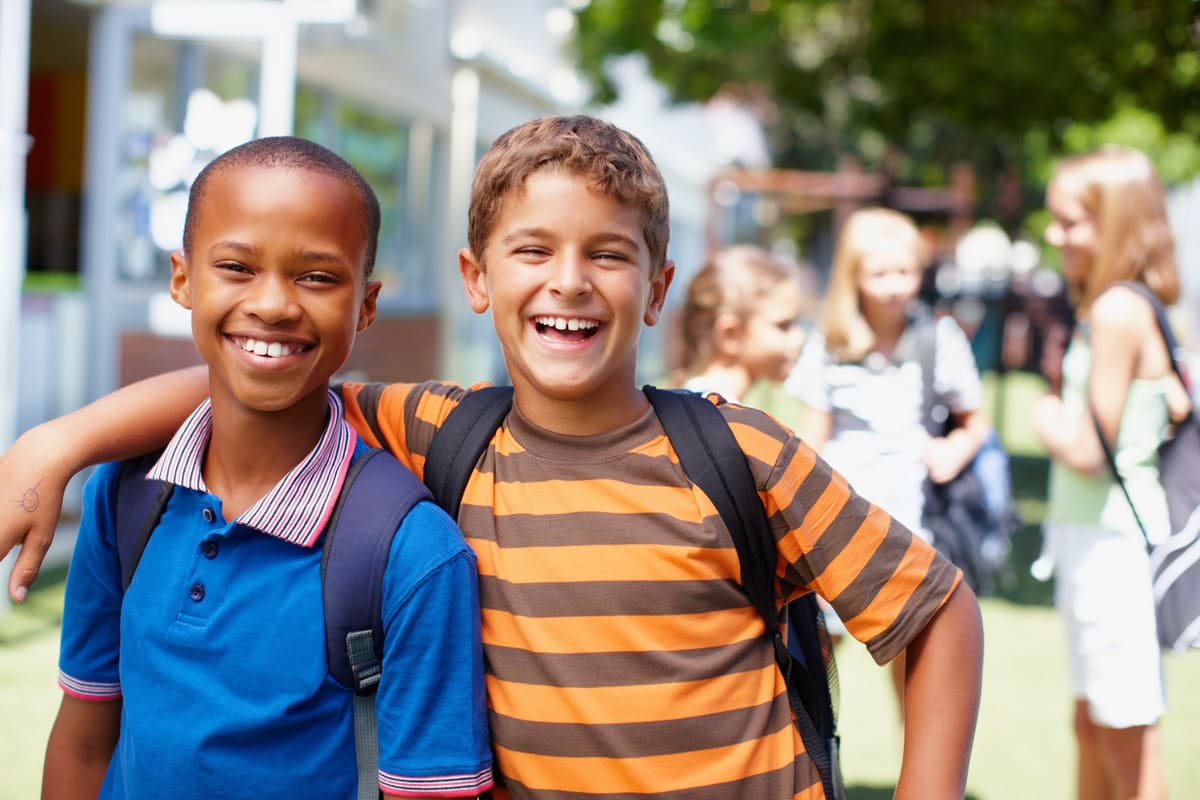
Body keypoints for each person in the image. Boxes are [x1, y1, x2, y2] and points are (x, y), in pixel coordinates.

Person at [2, 116, 982, 800]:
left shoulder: (741, 452)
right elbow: (263, 379)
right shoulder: (443, 431)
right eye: (532, 250)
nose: (569, 280)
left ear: (658, 287)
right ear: (475, 278)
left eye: (608, 252)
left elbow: (940, 611)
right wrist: (62, 440)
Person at [38, 136, 492, 799]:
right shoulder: (128, 493)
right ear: (182, 279)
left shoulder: (411, 553)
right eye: (237, 267)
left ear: (366, 304)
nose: (275, 304)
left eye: (316, 276)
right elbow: (83, 741)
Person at [784, 207, 992, 715]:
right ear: (853, 276)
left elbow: (976, 420)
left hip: (911, 518)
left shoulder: (937, 338)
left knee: (911, 659)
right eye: (880, 274)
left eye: (906, 271)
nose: (896, 286)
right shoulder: (829, 344)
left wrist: (953, 448)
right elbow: (815, 434)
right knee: (817, 656)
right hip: (837, 516)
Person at [1033, 145, 1189, 800]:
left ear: (1116, 225)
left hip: (1114, 544)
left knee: (1123, 727)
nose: (1053, 236)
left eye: (1069, 222)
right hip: (1090, 535)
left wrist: (1045, 413)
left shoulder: (1117, 311)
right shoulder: (1120, 307)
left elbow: (1088, 448)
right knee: (1092, 720)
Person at [673, 244, 811, 404]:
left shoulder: (705, 406)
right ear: (730, 334)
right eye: (783, 325)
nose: (799, 337)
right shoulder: (713, 414)